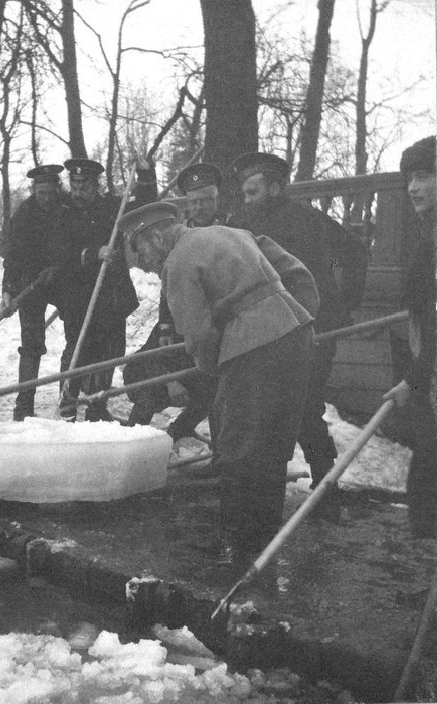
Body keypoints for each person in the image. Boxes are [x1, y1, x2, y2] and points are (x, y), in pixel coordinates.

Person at [119, 201, 319, 567]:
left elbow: (198, 336)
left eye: (140, 251)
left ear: (157, 235)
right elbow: (298, 272)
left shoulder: (177, 262)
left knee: (237, 446)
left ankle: (237, 547)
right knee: (273, 442)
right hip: (295, 335)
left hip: (253, 347)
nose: (144, 264)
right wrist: (296, 316)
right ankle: (263, 539)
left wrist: (214, 370)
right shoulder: (234, 232)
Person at [232, 151, 348, 517]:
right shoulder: (241, 225)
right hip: (269, 333)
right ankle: (262, 491)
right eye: (245, 192)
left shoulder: (309, 221)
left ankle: (325, 483)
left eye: (254, 191)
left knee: (304, 407)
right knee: (270, 409)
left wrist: (338, 301)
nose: (247, 200)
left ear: (276, 188)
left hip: (312, 330)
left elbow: (349, 253)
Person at [48, 157, 156, 422]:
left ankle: (98, 405)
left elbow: (146, 205)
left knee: (110, 350)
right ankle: (68, 402)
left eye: (84, 185)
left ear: (95, 184)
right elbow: (58, 253)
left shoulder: (112, 208)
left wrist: (144, 175)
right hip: (77, 294)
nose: (79, 191)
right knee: (78, 348)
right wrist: (93, 253)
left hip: (111, 293)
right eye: (75, 185)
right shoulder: (63, 213)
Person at [123, 163, 222, 441]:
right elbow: (169, 286)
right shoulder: (173, 235)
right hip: (179, 320)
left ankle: (204, 443)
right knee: (151, 375)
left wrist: (336, 272)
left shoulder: (231, 230)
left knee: (212, 386)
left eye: (205, 200)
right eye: (193, 202)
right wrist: (166, 324)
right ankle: (132, 440)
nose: (200, 207)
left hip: (216, 322)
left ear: (217, 200)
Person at [383, 135, 437, 538]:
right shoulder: (428, 232)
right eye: (409, 178)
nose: (413, 187)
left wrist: (414, 380)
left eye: (423, 176)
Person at [1, 164, 65, 421]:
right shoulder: (24, 214)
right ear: (34, 191)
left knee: (76, 335)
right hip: (32, 283)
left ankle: (68, 399)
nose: (47, 198)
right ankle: (23, 405)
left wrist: (58, 267)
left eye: (51, 192)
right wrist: (8, 289)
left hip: (64, 280)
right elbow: (12, 256)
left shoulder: (67, 209)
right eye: (42, 193)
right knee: (31, 344)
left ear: (57, 190)